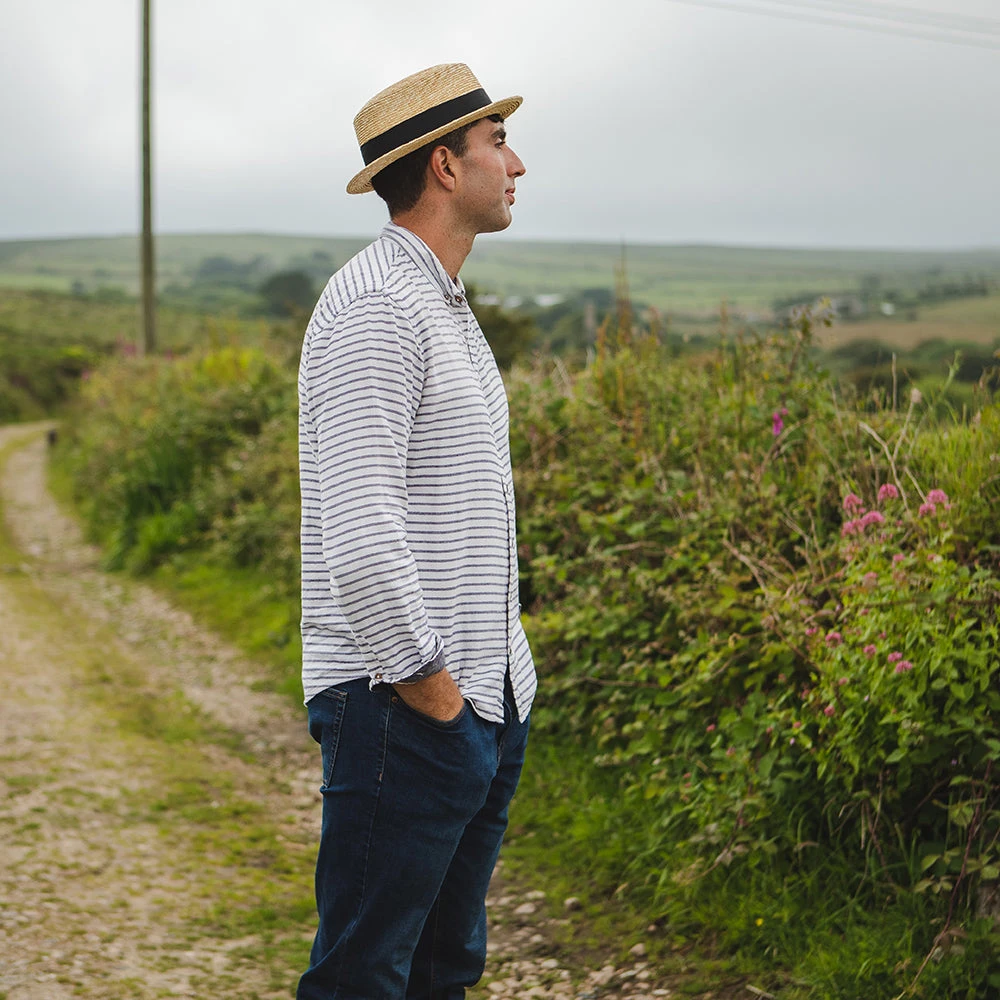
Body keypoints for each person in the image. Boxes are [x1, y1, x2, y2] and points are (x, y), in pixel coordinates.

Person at [296, 63, 537, 1000]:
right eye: (496, 143)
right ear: (445, 165)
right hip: (406, 707)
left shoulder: (440, 303)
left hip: (479, 700)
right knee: (365, 974)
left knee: (442, 971)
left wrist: (507, 679)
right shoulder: (375, 308)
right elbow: (360, 533)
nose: (516, 162)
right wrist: (435, 697)